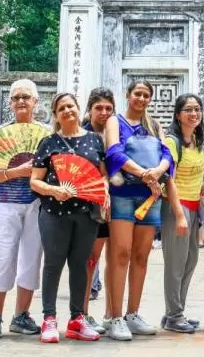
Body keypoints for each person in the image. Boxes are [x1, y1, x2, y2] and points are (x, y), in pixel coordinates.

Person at [101, 79, 180, 341]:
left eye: (147, 95)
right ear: (128, 94)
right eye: (138, 94)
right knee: (120, 254)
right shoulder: (115, 121)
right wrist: (143, 173)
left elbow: (167, 153)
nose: (142, 99)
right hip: (123, 196)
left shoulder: (154, 124)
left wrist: (157, 171)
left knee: (141, 257)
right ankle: (114, 316)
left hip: (150, 199)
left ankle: (132, 313)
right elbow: (114, 153)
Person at [31, 92, 108, 343]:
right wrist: (54, 190)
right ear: (55, 115)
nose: (67, 111)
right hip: (54, 213)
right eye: (61, 108)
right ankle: (49, 318)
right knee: (53, 264)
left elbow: (102, 175)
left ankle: (77, 319)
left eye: (71, 106)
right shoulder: (48, 143)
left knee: (80, 265)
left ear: (79, 109)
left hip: (85, 213)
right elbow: (35, 181)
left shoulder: (95, 140)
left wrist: (105, 193)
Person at [0, 79, 45, 339]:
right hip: (4, 203)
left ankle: (21, 315)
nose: (21, 101)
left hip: (36, 204)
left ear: (35, 102)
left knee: (31, 259)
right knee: (2, 258)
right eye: (16, 97)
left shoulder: (46, 134)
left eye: (26, 97)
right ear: (10, 102)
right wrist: (16, 171)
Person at [160, 93, 204, 333]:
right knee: (175, 264)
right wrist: (180, 215)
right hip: (176, 208)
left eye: (197, 109)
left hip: (194, 208)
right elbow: (169, 180)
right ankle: (174, 315)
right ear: (178, 114)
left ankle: (175, 311)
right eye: (188, 109)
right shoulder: (172, 142)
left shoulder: (198, 141)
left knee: (191, 260)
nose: (194, 113)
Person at [82, 87, 116, 334]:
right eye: (99, 108)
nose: (103, 113)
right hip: (90, 206)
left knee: (116, 259)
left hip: (119, 203)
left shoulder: (117, 133)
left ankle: (112, 313)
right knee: (89, 260)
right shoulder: (82, 135)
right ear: (89, 109)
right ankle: (82, 313)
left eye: (108, 108)